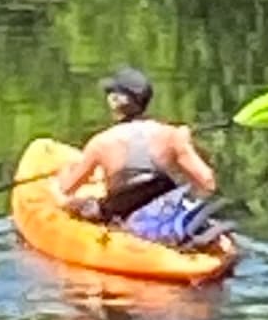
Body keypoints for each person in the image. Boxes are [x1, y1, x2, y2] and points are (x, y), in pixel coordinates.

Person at [55, 68, 222, 246]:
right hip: (164, 213)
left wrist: (63, 174)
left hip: (121, 220)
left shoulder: (101, 143)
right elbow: (208, 182)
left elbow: (68, 189)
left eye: (110, 93)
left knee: (71, 203)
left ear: (114, 101)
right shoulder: (173, 136)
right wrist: (186, 144)